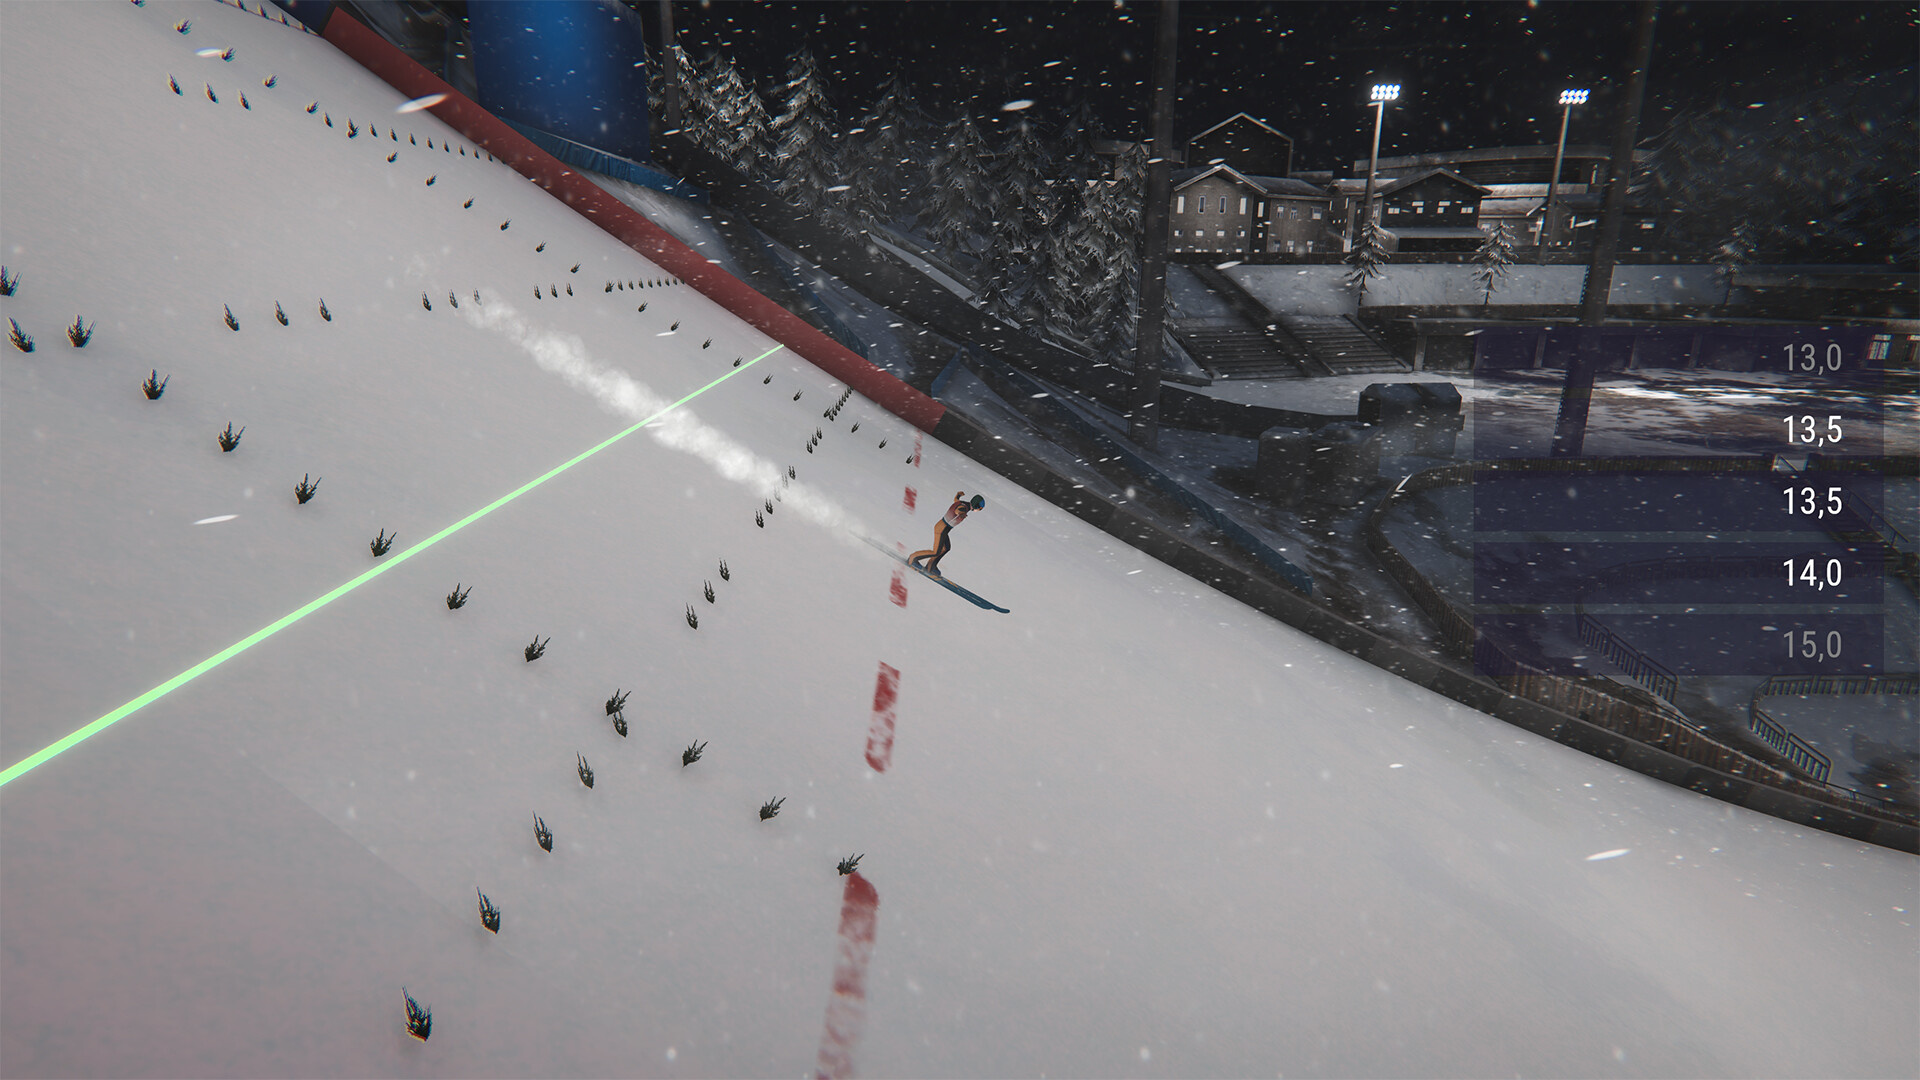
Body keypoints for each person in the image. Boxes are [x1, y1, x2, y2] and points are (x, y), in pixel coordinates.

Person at [909, 492, 984, 578]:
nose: (979, 510)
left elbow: (956, 500)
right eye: (979, 508)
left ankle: (930, 566)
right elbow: (958, 509)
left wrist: (958, 495)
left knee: (946, 548)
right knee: (936, 551)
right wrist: (960, 513)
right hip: (941, 528)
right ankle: (913, 558)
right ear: (976, 505)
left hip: (944, 529)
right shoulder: (964, 507)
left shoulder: (965, 504)